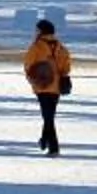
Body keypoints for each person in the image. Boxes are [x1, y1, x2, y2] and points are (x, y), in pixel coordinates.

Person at [23, 17, 72, 155]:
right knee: (49, 115)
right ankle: (45, 139)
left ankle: (54, 146)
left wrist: (31, 78)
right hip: (56, 86)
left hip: (42, 85)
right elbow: (66, 66)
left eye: (37, 30)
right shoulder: (60, 47)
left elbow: (28, 64)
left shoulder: (37, 47)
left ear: (41, 31)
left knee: (48, 116)